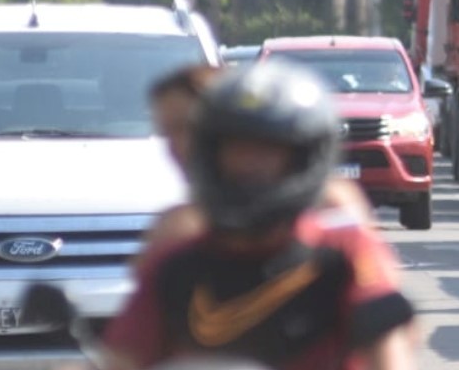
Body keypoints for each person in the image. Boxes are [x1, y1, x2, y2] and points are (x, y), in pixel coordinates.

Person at [103, 61, 416, 370]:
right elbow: (124, 358)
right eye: (236, 149)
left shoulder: (345, 254)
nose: (249, 165)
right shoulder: (174, 264)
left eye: (267, 150)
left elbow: (389, 350)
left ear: (302, 158)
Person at [135, 64, 377, 274]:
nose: (176, 146)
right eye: (167, 132)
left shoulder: (333, 206)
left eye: (187, 128)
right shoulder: (174, 230)